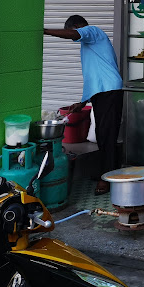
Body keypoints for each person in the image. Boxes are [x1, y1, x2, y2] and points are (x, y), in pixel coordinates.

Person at [44, 15, 123, 195]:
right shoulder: (89, 46)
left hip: (109, 91)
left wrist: (45, 31)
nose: (75, 37)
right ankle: (108, 173)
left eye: (75, 31)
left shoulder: (93, 31)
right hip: (102, 92)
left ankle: (108, 179)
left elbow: (73, 33)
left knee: (107, 135)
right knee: (103, 136)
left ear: (79, 26)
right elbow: (94, 76)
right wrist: (82, 102)